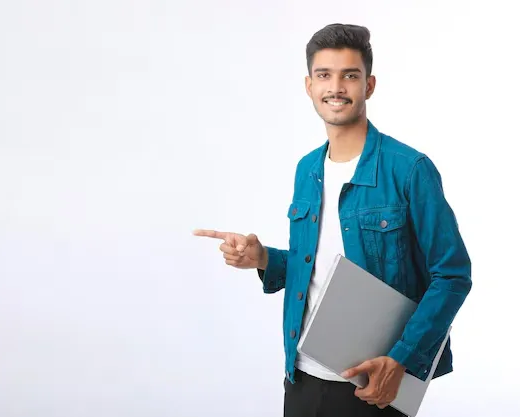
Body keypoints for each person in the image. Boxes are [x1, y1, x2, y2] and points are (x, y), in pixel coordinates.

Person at [193, 23, 471, 417]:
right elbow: (320, 265)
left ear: (369, 85)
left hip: (374, 384)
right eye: (324, 75)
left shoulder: (409, 169)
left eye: (349, 76)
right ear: (309, 86)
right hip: (301, 375)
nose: (336, 87)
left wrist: (401, 360)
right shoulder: (307, 169)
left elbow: (453, 274)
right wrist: (264, 259)